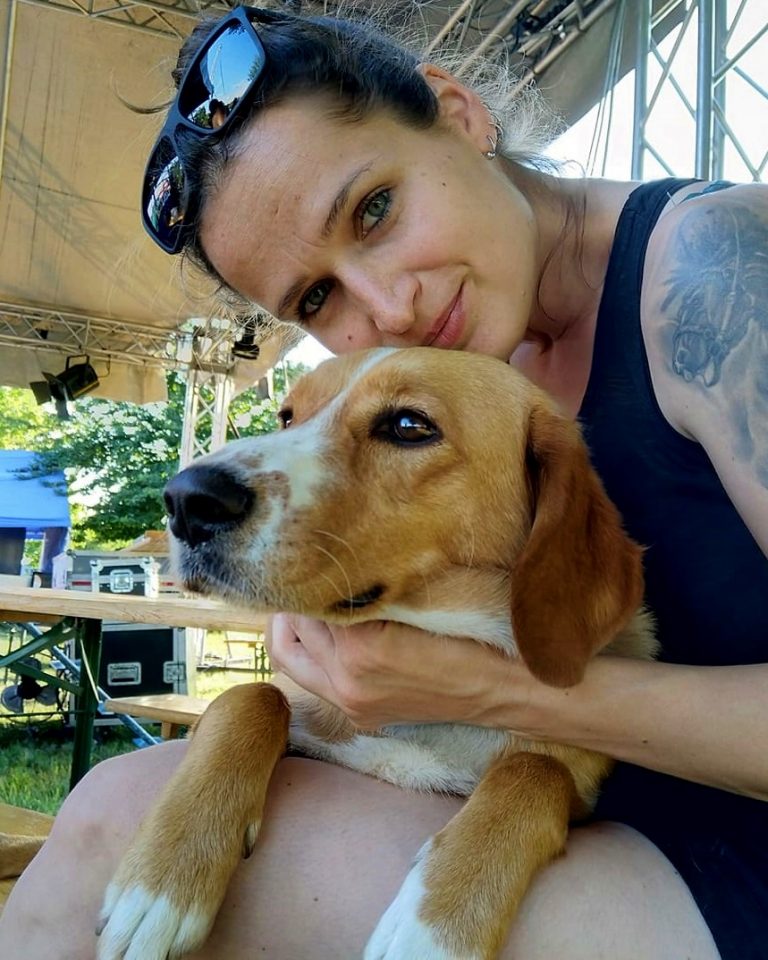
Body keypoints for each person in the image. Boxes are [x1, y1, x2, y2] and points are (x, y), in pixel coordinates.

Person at [2, 5, 766, 959]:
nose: (390, 306)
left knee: (111, 822)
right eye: (316, 298)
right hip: (614, 829)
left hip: (734, 859)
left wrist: (498, 695)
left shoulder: (719, 269)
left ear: (460, 113)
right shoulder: (475, 361)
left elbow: (509, 694)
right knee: (123, 801)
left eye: (373, 210)